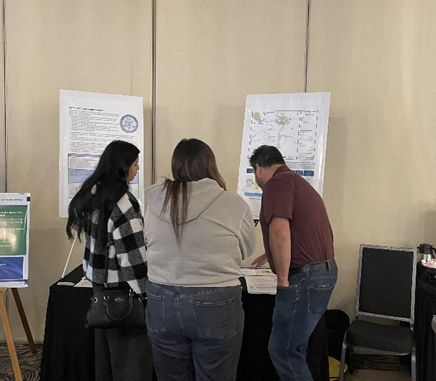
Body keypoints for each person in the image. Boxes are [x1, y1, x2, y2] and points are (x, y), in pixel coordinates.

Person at [144, 138, 256, 381]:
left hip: (161, 299)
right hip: (216, 301)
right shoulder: (234, 204)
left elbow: (147, 241)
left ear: (175, 166)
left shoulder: (153, 200)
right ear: (210, 165)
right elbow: (247, 249)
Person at [66, 140, 153, 381]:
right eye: (135, 164)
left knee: (105, 360)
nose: (137, 170)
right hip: (123, 293)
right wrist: (146, 294)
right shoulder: (124, 203)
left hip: (99, 289)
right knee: (131, 362)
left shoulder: (94, 194)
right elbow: (133, 257)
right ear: (122, 167)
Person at [249, 145, 337, 381]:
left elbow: (280, 232)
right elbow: (298, 229)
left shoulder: (276, 184)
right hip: (323, 273)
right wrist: (269, 256)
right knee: (295, 348)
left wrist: (282, 279)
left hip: (304, 278)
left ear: (258, 168)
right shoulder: (296, 183)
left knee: (283, 350)